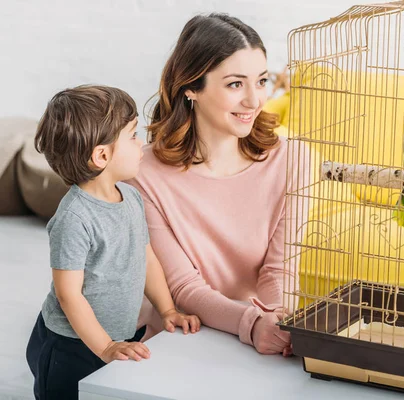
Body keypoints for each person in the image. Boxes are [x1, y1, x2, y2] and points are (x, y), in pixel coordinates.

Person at [130, 13, 309, 356]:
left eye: (261, 81)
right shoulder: (142, 174)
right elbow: (183, 286)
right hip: (178, 338)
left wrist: (278, 320)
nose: (254, 101)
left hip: (257, 336)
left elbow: (281, 267)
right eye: (235, 84)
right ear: (191, 88)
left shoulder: (293, 158)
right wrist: (252, 324)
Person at [25, 85, 201, 400]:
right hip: (70, 347)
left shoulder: (131, 197)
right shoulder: (74, 220)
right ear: (102, 155)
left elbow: (146, 258)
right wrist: (105, 346)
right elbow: (69, 296)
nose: (142, 144)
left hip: (119, 336)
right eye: (133, 136)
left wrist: (168, 309)